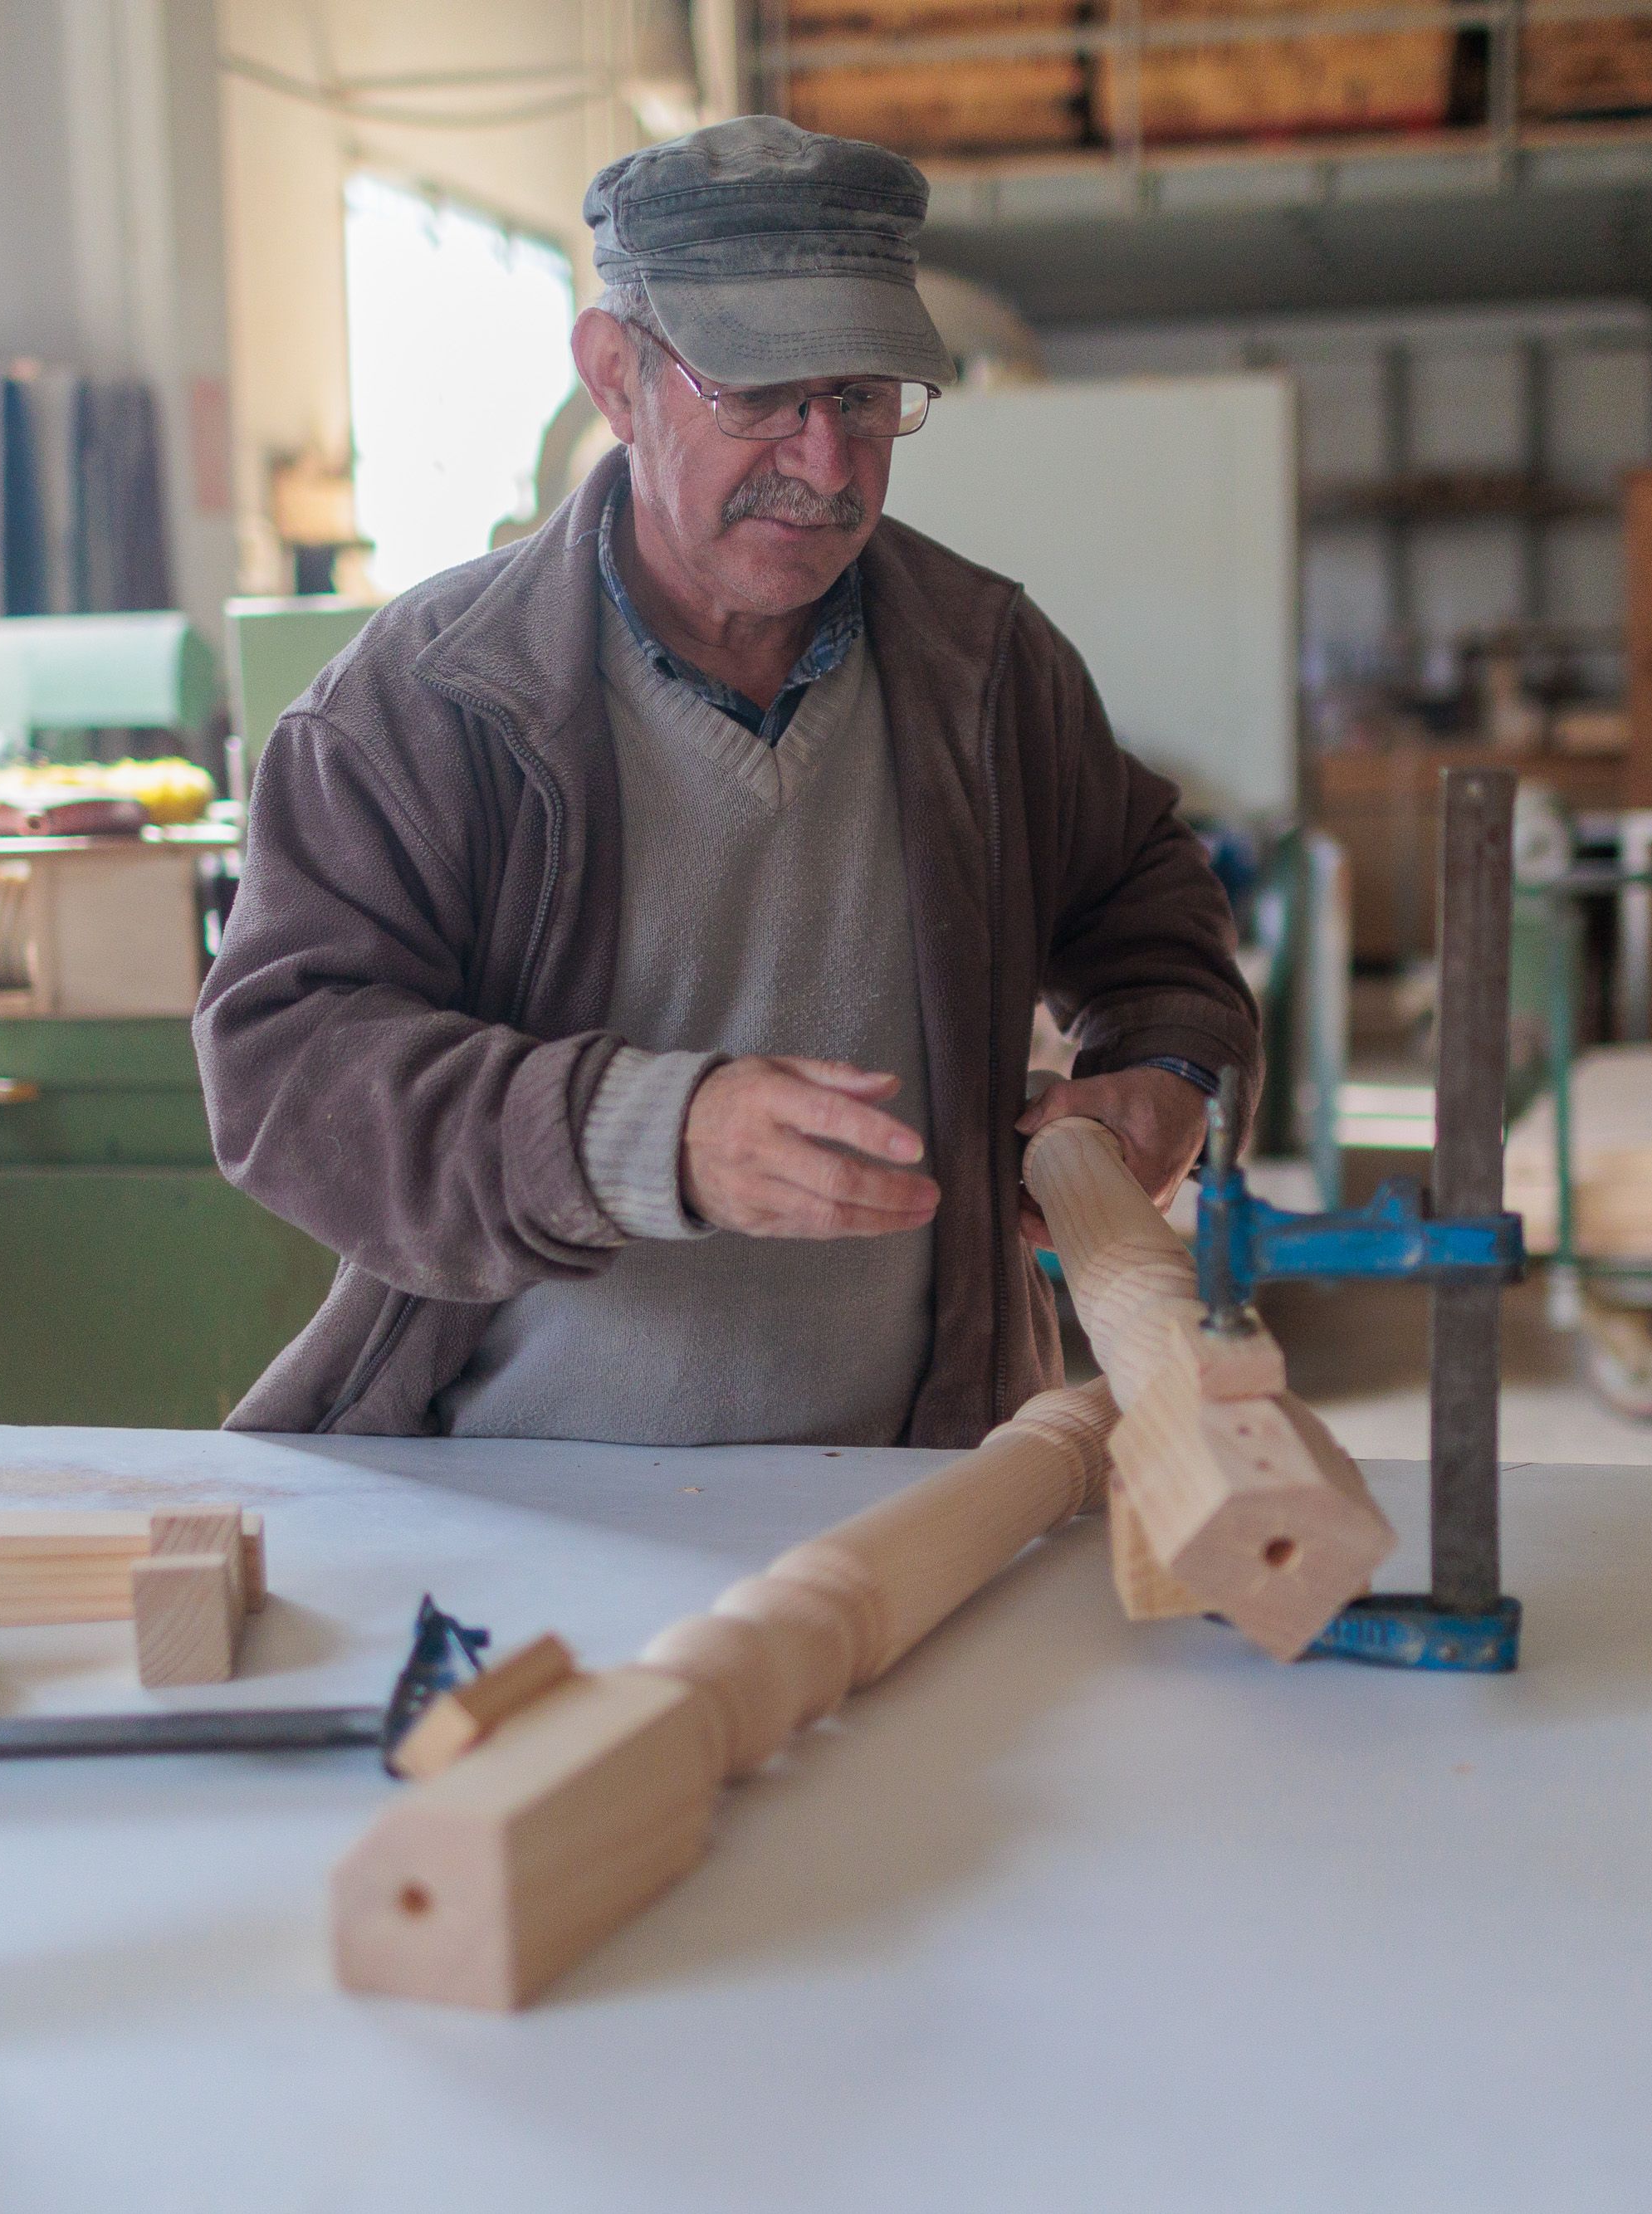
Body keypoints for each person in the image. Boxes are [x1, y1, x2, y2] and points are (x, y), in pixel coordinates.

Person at [194, 117, 1259, 1449]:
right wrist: (638, 1134)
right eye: (758, 393)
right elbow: (286, 1071)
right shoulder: (423, 702)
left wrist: (1166, 1074)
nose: (824, 465)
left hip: (914, 1491)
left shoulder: (984, 670)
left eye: (864, 398)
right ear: (614, 377)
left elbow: (1149, 911)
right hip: (511, 1486)